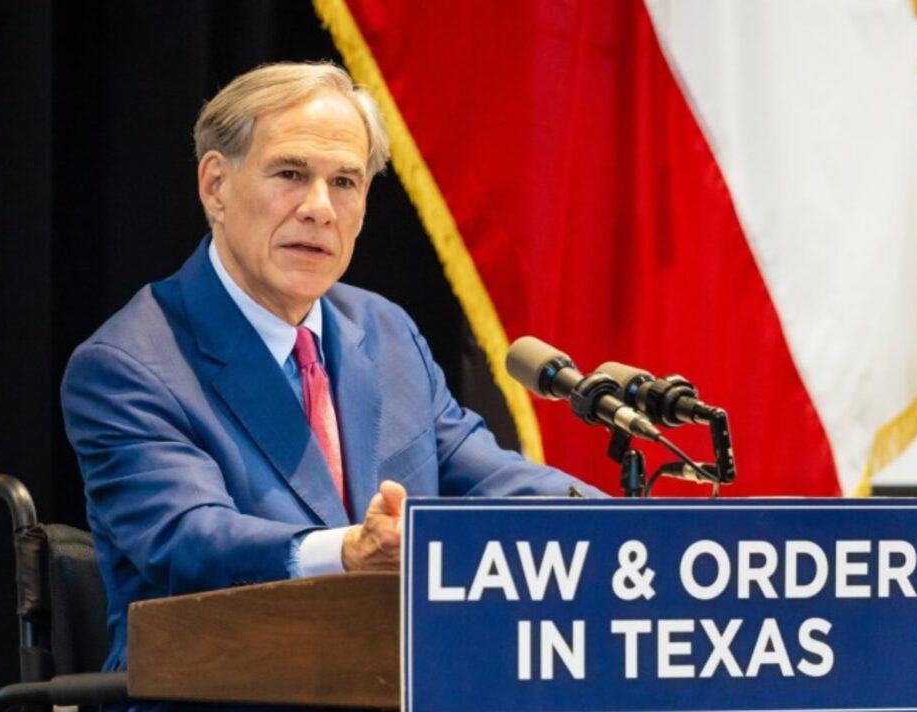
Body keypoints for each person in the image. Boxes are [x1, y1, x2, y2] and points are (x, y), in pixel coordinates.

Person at [61, 61, 603, 688]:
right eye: (291, 174)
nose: (320, 208)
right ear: (215, 184)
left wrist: (632, 534)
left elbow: (488, 474)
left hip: (389, 683)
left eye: (344, 181)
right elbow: (190, 539)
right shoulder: (129, 365)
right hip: (223, 693)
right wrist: (347, 553)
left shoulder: (384, 330)